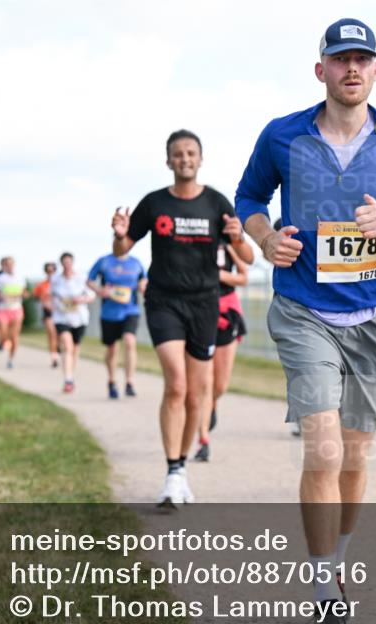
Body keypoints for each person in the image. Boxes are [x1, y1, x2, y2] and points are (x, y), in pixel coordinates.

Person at [235, 18, 376, 624]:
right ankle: (326, 592)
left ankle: (339, 560)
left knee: (355, 459)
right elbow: (251, 197)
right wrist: (264, 237)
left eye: (363, 59)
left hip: (371, 319)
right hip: (302, 310)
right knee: (323, 451)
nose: (351, 69)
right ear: (320, 70)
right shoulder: (284, 135)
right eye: (340, 59)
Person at [110, 128, 244, 509]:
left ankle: (180, 469)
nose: (184, 159)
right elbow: (122, 250)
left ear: (201, 159)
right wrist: (121, 234)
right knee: (176, 385)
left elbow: (248, 259)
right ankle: (171, 472)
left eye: (191, 153)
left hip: (205, 304)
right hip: (164, 301)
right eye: (178, 154)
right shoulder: (154, 204)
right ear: (168, 161)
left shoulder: (217, 203)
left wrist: (236, 238)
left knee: (198, 393)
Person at [195, 239, 254, 461]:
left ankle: (211, 405)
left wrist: (219, 274)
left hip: (227, 312)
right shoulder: (195, 242)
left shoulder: (229, 244)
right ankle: (203, 440)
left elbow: (243, 276)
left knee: (220, 385)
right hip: (200, 310)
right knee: (205, 382)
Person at [87, 251, 147, 399]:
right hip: (109, 312)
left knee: (129, 341)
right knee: (112, 349)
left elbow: (143, 281)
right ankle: (112, 381)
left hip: (130, 310)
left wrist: (143, 288)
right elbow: (89, 280)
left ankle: (129, 382)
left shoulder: (136, 262)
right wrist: (100, 291)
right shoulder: (104, 261)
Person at [51, 252, 95, 393]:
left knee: (75, 348)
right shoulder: (56, 279)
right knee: (67, 346)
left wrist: (80, 300)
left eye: (69, 262)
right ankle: (68, 379)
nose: (67, 265)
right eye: (64, 263)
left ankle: (71, 374)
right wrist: (57, 304)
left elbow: (91, 296)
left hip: (79, 317)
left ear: (72, 263)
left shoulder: (82, 278)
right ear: (61, 264)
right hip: (62, 317)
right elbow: (51, 296)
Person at [0, 256, 28, 369]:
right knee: (3, 333)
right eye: (7, 264)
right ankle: (2, 342)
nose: (10, 266)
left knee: (14, 336)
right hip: (3, 309)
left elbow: (25, 293)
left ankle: (11, 359)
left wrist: (22, 295)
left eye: (11, 264)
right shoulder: (0, 278)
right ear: (4, 266)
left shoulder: (20, 277)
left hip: (16, 308)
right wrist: (2, 296)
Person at [33, 262, 60, 368]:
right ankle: (54, 357)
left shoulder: (59, 283)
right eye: (48, 271)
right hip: (48, 312)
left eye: (53, 271)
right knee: (51, 334)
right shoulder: (42, 284)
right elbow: (35, 296)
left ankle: (57, 349)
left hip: (60, 312)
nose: (51, 273)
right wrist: (43, 301)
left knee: (59, 335)